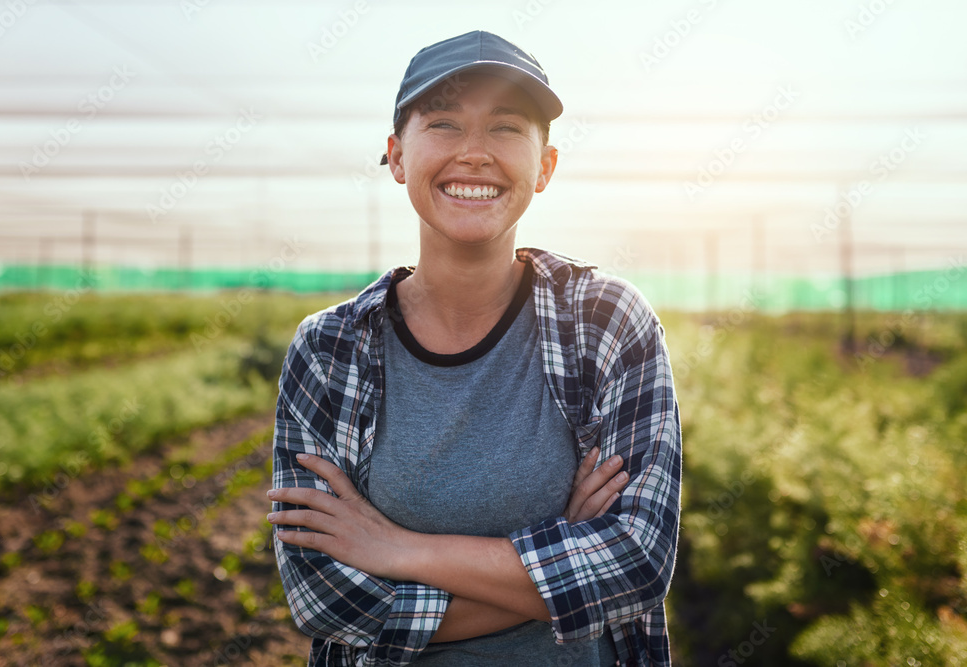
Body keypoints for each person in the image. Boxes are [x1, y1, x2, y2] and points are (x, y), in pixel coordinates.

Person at [266, 30, 682, 666]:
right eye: (443, 124)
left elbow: (636, 562)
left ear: (544, 166)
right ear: (397, 156)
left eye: (506, 128)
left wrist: (398, 549)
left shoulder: (605, 321)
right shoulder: (329, 349)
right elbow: (325, 598)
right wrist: (566, 548)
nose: (475, 153)